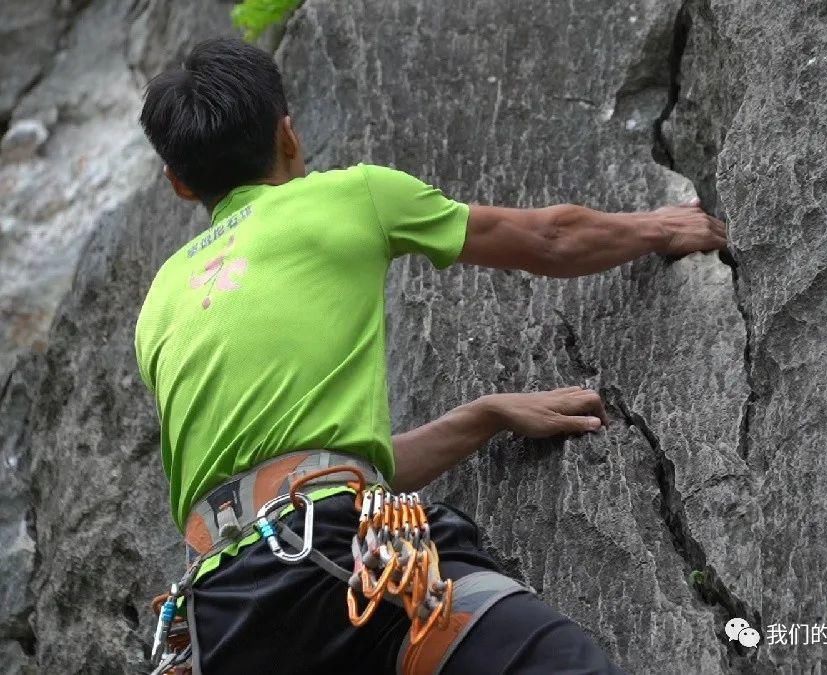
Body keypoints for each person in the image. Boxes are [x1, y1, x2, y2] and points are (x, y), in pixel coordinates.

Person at [136, 37, 726, 675]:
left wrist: (483, 416)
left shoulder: (160, 304)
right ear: (289, 135)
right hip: (343, 556)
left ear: (177, 181)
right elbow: (549, 239)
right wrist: (662, 228)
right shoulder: (350, 196)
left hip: (222, 623)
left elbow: (306, 472)